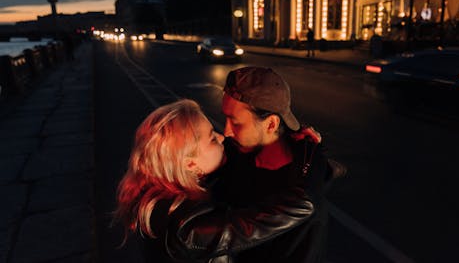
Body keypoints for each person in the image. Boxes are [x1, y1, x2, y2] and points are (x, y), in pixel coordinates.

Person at [114, 99, 315, 262]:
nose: (222, 137)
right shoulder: (187, 230)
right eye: (211, 138)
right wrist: (308, 155)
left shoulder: (160, 191)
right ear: (189, 163)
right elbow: (299, 207)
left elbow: (231, 166)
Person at [214, 66, 334, 263]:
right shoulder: (237, 153)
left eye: (235, 122)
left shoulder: (301, 207)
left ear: (271, 124)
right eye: (225, 118)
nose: (226, 132)